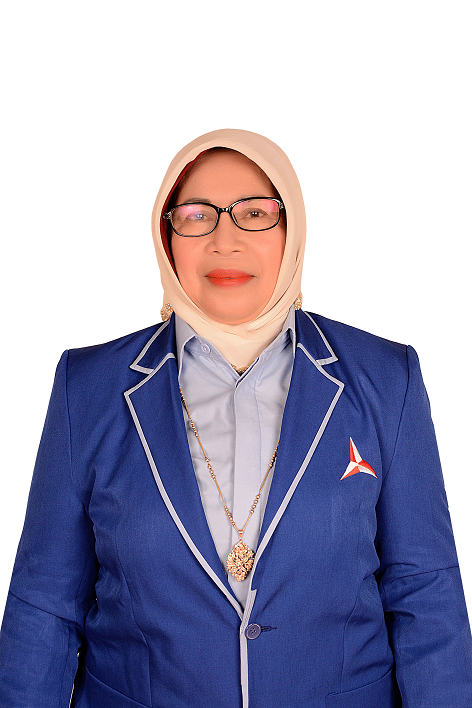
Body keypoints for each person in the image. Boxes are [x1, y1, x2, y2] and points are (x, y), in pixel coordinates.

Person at [0, 128, 471, 708]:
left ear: (291, 231)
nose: (225, 240)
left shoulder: (386, 379)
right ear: (166, 237)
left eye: (254, 214)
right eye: (197, 216)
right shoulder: (88, 388)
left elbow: (425, 595)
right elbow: (45, 607)